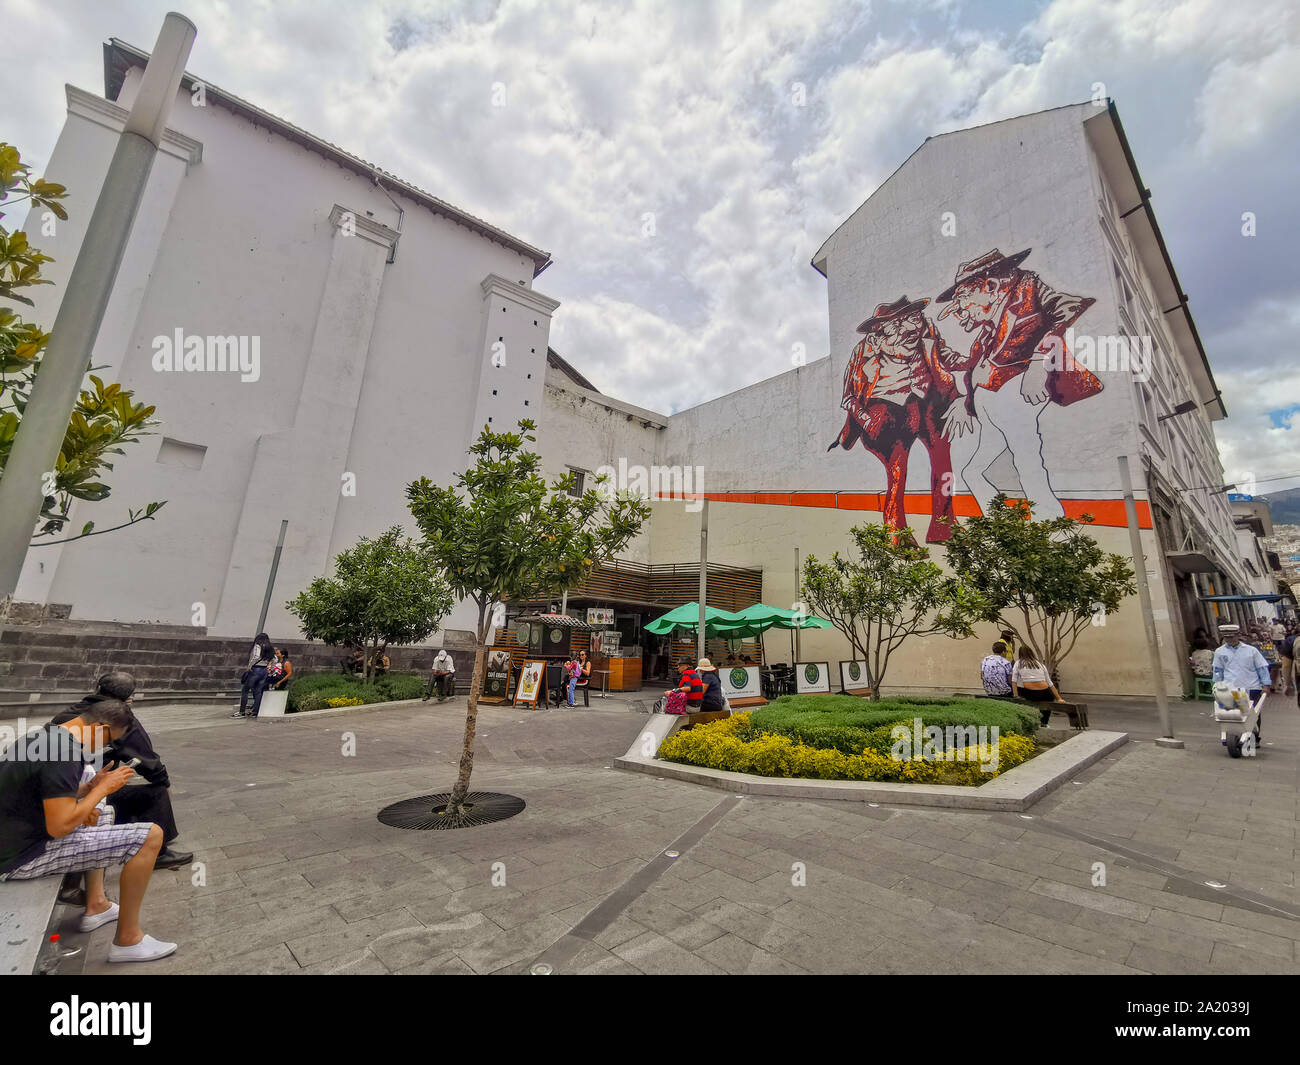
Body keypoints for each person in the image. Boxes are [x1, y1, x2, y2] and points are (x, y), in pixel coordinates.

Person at [0, 698, 176, 962]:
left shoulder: (45, 736)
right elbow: (59, 826)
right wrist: (103, 789)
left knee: (102, 811)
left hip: (15, 835)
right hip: (19, 856)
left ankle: (96, 904)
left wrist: (90, 788)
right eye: (107, 741)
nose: (103, 747)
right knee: (150, 836)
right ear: (100, 728)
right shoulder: (65, 753)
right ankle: (128, 941)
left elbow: (43, 793)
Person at [937, 248, 1102, 519]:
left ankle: (1050, 521)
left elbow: (1068, 307)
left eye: (964, 297)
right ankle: (1001, 523)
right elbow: (967, 365)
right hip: (992, 401)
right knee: (973, 471)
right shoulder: (986, 331)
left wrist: (1039, 362)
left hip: (1015, 392)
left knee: (1026, 458)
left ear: (989, 286)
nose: (962, 306)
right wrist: (964, 401)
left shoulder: (1030, 289)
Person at [827, 296, 964, 543]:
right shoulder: (863, 351)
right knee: (897, 469)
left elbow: (946, 356)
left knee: (943, 457)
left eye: (911, 321)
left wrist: (980, 363)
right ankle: (896, 530)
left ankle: (944, 524)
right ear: (877, 338)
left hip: (925, 400)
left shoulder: (926, 330)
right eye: (896, 327)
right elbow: (848, 397)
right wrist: (867, 420)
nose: (909, 330)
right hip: (886, 409)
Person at [49, 673, 192, 875]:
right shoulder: (116, 720)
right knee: (155, 793)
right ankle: (157, 852)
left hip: (71, 792)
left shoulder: (64, 717)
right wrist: (163, 781)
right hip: (70, 806)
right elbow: (144, 756)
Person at [1211, 625, 1272, 724]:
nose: (1229, 640)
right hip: (1231, 689)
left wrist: (1266, 685)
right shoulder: (1219, 652)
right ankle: (1237, 735)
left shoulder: (1251, 650)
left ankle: (1254, 736)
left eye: (1231, 637)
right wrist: (1217, 686)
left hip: (1252, 687)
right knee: (1234, 715)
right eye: (1226, 637)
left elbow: (1262, 668)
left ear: (1238, 635)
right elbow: (1218, 670)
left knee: (1253, 714)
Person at [1011, 646, 1063, 726]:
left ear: (1020, 654)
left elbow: (1014, 681)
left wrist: (1015, 695)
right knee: (1048, 703)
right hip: (1046, 693)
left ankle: (1032, 722)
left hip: (1031, 694)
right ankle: (1044, 723)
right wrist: (1059, 698)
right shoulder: (1040, 664)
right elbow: (1050, 683)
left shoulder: (1018, 663)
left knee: (1020, 683)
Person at [234, 633, 275, 718]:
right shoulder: (270, 647)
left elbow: (256, 656)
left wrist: (249, 666)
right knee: (258, 691)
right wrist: (270, 667)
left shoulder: (257, 645)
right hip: (264, 671)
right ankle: (255, 712)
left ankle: (242, 712)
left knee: (245, 690)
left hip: (256, 669)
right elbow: (274, 658)